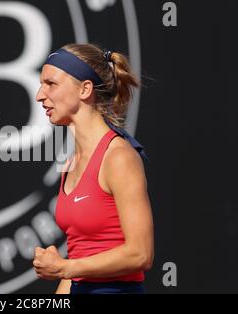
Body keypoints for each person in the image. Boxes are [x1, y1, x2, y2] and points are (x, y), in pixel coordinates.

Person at [33, 43, 154, 294]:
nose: (39, 95)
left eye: (51, 84)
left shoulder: (119, 157)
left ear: (84, 89)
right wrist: (66, 271)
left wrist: (65, 267)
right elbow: (79, 261)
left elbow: (141, 254)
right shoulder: (71, 163)